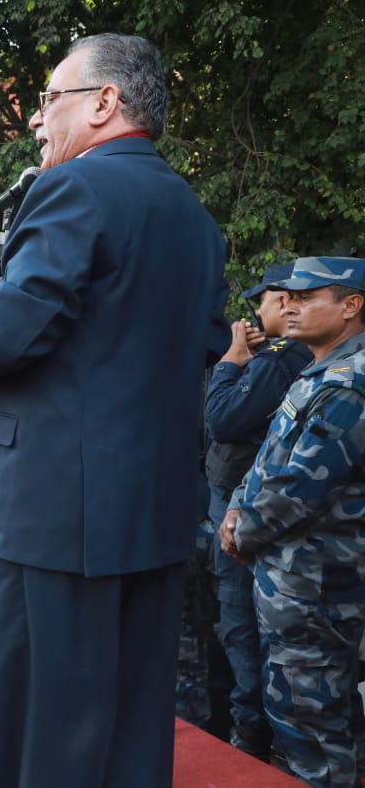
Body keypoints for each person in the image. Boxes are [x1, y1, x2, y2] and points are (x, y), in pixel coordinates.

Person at [0, 33, 230, 787]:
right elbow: (206, 342)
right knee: (133, 729)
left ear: (105, 102)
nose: (37, 121)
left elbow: (14, 331)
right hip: (152, 513)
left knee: (43, 733)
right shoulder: (194, 217)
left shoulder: (72, 189)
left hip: (52, 520)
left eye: (49, 99)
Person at [220, 258, 365, 787]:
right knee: (311, 725)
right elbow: (267, 458)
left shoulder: (351, 383)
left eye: (307, 297)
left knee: (314, 736)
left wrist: (241, 528)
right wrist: (237, 505)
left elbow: (302, 487)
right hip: (293, 585)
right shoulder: (321, 369)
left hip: (319, 590)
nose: (291, 306)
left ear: (352, 306)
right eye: (289, 297)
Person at [203, 261, 311, 757]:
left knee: (241, 625)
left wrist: (230, 359)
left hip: (246, 513)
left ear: (285, 301)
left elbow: (222, 419)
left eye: (261, 301)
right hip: (249, 505)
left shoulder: (280, 360)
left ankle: (250, 739)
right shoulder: (283, 356)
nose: (257, 311)